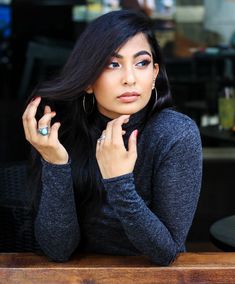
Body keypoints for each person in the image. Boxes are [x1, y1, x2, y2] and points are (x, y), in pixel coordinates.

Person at [22, 10, 202, 266]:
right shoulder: (61, 132)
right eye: (112, 64)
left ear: (154, 75)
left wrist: (118, 182)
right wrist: (55, 163)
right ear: (88, 80)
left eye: (142, 63)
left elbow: (166, 252)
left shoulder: (175, 134)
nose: (129, 79)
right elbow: (58, 250)